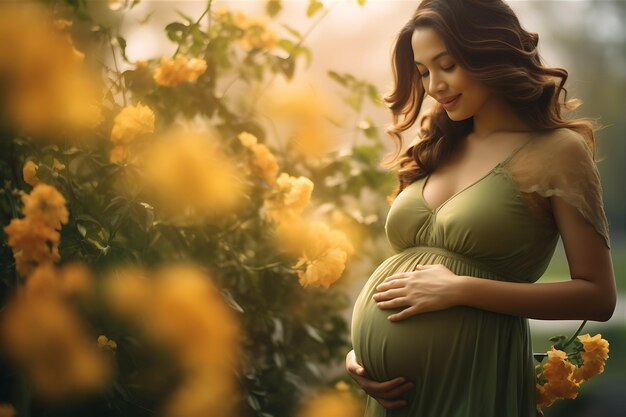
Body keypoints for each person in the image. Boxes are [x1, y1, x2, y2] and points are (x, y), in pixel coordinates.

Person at [346, 1, 617, 416]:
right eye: (423, 72)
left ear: (489, 52)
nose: (434, 85)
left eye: (447, 65)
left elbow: (598, 297)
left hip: (475, 377)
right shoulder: (437, 146)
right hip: (390, 398)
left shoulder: (558, 151)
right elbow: (409, 273)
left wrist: (461, 289)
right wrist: (362, 355)